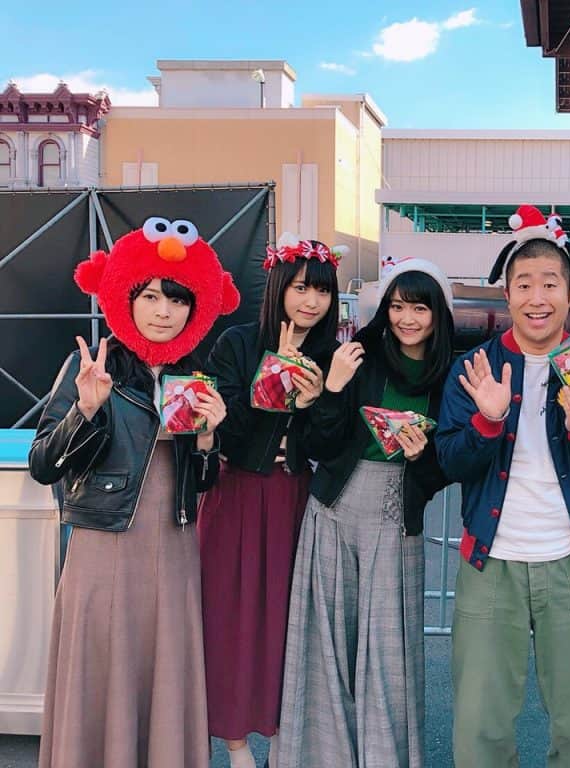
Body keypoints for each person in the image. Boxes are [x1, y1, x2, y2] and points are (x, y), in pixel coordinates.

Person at [28, 217, 239, 767]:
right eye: (150, 296)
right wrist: (85, 410)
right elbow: (43, 465)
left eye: (177, 299)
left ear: (195, 309)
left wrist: (209, 439)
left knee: (166, 675)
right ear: (126, 298)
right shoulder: (91, 367)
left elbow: (203, 483)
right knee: (100, 675)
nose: (163, 311)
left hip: (175, 548)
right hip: (103, 546)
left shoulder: (196, 375)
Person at [436, 205, 570, 768]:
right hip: (489, 563)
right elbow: (450, 460)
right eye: (524, 284)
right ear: (507, 294)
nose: (537, 297)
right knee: (480, 729)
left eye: (550, 283)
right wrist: (488, 420)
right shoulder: (476, 367)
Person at [277, 258, 454, 768]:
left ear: (438, 313)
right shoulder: (358, 356)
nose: (407, 319)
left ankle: (383, 757)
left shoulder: (452, 373)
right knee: (325, 643)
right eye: (397, 307)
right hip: (334, 505)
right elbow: (320, 443)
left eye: (419, 308)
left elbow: (446, 468)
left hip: (397, 515)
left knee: (388, 649)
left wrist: (422, 456)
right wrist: (332, 389)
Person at [198, 234, 340, 768]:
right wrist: (274, 379)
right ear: (279, 286)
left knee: (287, 620)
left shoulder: (331, 355)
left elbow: (330, 443)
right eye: (301, 288)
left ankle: (284, 736)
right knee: (227, 616)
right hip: (235, 493)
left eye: (322, 291)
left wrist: (319, 400)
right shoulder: (236, 344)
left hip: (294, 498)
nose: (311, 301)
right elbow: (225, 429)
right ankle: (235, 743)